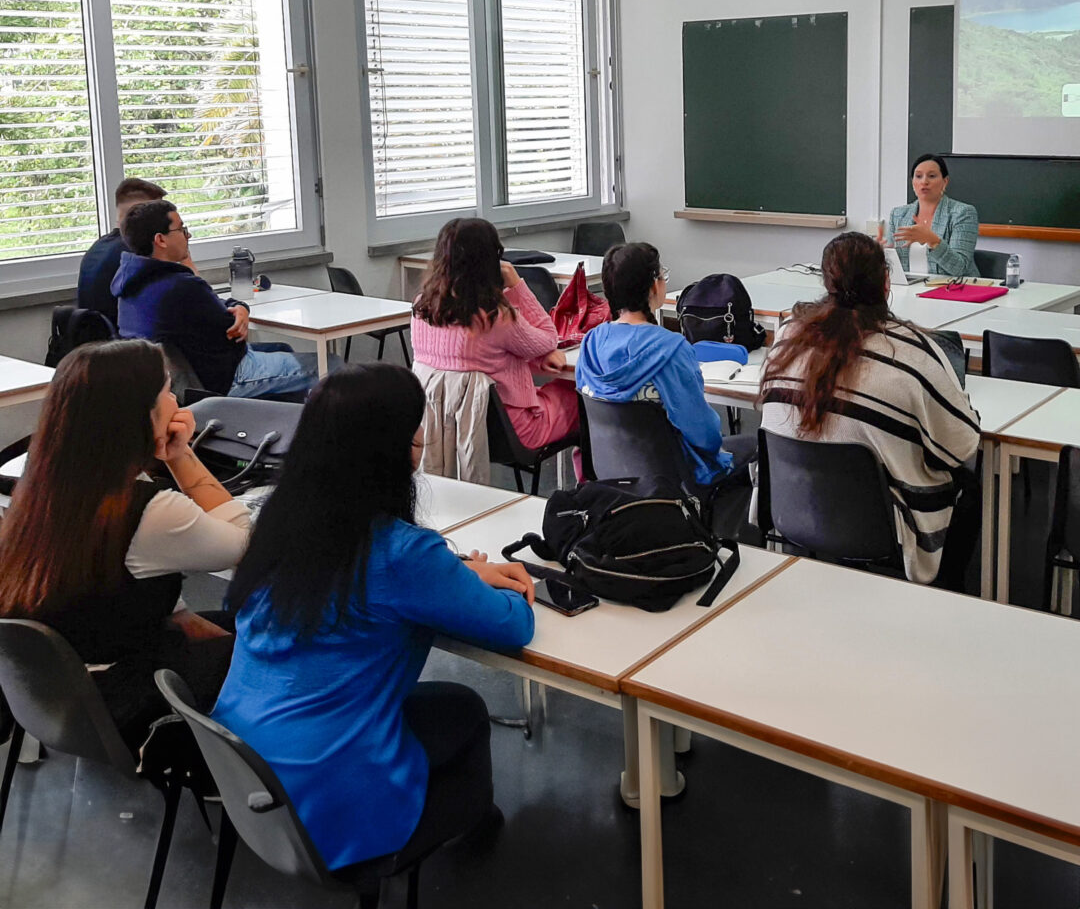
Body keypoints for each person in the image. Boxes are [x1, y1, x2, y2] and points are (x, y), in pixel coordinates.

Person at [213, 363, 534, 870]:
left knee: (445, 706)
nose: (422, 439)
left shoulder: (278, 518)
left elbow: (358, 575)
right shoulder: (405, 554)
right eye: (415, 431)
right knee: (464, 710)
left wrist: (454, 573)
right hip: (330, 803)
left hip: (246, 769)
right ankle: (471, 829)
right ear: (394, 451)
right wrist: (486, 582)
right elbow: (512, 626)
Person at [0, 340, 250, 752]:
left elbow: (124, 584)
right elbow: (244, 543)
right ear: (139, 415)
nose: (175, 400)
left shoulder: (36, 488)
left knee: (235, 626)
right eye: (167, 390)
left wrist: (193, 623)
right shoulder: (150, 510)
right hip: (124, 702)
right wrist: (180, 457)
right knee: (276, 644)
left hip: (52, 694)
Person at [760, 232, 981, 590]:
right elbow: (961, 447)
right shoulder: (913, 352)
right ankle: (949, 601)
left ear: (827, 282)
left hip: (793, 508)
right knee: (969, 485)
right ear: (886, 282)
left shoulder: (787, 337)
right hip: (887, 529)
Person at [575, 242, 757, 508]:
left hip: (611, 476)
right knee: (755, 446)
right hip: (675, 481)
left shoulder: (591, 343)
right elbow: (704, 435)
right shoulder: (672, 349)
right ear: (653, 286)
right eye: (662, 275)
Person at [113, 200, 331, 397]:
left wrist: (239, 306)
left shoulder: (132, 283)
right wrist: (239, 309)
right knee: (329, 365)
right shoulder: (179, 286)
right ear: (160, 239)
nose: (188, 236)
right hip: (223, 378)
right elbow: (232, 329)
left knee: (283, 348)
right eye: (181, 229)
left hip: (185, 379)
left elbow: (212, 305)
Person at [411, 218, 579, 451]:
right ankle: (591, 472)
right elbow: (549, 337)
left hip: (453, 427)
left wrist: (536, 357)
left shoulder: (422, 308)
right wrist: (517, 285)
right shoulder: (494, 316)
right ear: (492, 260)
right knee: (581, 395)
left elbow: (483, 357)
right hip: (514, 430)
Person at [77, 178, 195, 324]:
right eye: (158, 210)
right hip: (126, 337)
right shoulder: (138, 254)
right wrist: (183, 255)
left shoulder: (100, 246)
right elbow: (194, 298)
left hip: (98, 335)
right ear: (139, 213)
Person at [883, 154, 978, 276]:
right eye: (918, 176)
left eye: (932, 176)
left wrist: (932, 240)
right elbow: (892, 266)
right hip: (910, 286)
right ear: (912, 182)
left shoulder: (962, 213)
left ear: (945, 181)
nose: (924, 181)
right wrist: (880, 251)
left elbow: (959, 269)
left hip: (952, 286)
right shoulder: (898, 214)